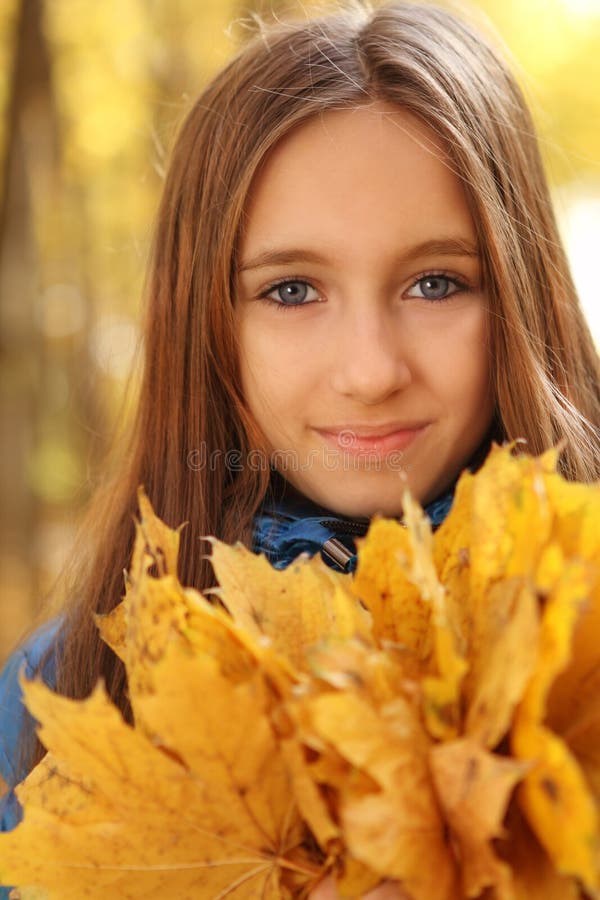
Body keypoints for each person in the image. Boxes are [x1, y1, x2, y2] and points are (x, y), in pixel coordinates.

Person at [1, 2, 598, 897]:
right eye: (291, 291)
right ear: (208, 326)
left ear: (519, 294)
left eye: (437, 283)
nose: (370, 370)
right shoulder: (63, 692)